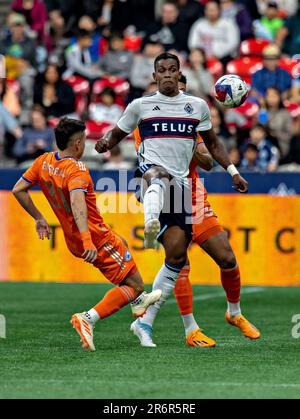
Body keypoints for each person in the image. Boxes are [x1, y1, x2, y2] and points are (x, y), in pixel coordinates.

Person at [95, 52, 250, 346]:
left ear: (179, 74)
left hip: (183, 191)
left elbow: (212, 147)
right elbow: (115, 134)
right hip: (149, 179)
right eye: (161, 70)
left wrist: (232, 171)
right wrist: (103, 143)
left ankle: (145, 322)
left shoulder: (197, 107)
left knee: (177, 259)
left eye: (172, 70)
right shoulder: (141, 106)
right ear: (154, 76)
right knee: (157, 174)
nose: (167, 74)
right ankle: (150, 223)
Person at [130, 74, 260, 347]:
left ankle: (234, 313)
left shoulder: (193, 120)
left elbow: (208, 162)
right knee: (178, 263)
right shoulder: (147, 121)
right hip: (168, 195)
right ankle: (190, 329)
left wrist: (193, 143)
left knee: (226, 257)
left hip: (194, 195)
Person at [12, 117, 162, 351]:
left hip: (76, 238)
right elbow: (77, 202)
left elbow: (18, 189)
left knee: (121, 245)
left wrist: (39, 218)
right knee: (136, 284)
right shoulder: (77, 169)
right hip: (93, 236)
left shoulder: (43, 161)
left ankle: (137, 302)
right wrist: (87, 240)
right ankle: (88, 318)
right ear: (78, 144)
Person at [188, 0, 240, 66]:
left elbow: (233, 43)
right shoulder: (199, 24)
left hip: (225, 58)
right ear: (205, 11)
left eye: (213, 10)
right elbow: (193, 44)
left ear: (219, 10)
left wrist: (217, 54)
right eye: (209, 10)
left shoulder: (228, 24)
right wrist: (201, 55)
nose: (211, 13)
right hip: (203, 59)